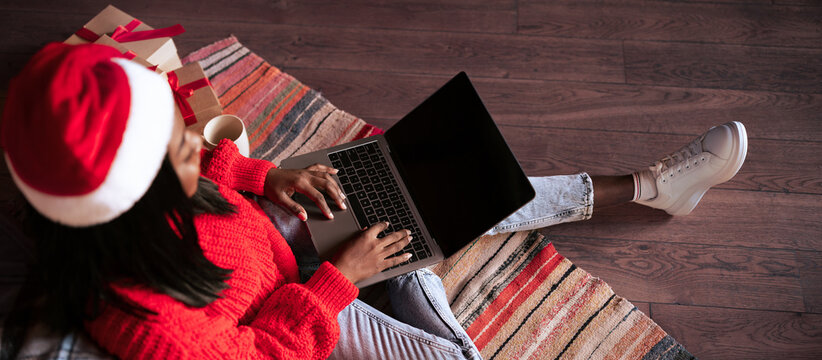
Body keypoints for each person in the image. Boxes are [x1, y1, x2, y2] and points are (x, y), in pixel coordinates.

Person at [0, 43, 746, 360]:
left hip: (280, 237)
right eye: (183, 148)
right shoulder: (152, 329)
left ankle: (649, 189)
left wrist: (264, 178)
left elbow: (213, 166)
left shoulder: (114, 211)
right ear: (138, 200)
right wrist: (337, 283)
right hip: (298, 304)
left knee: (424, 183)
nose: (203, 147)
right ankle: (420, 254)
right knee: (446, 320)